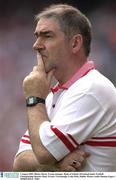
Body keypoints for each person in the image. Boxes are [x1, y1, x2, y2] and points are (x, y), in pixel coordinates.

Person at [13, 4, 116, 172]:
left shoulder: (90, 89)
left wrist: (34, 99)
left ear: (75, 43)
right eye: (36, 36)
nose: (36, 45)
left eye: (47, 36)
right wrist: (56, 162)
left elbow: (43, 153)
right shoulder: (57, 94)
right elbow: (19, 163)